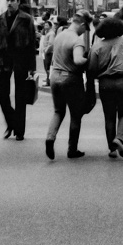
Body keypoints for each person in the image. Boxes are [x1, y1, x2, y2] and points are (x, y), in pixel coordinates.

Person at [88, 16, 123, 158]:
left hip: (105, 83)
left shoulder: (97, 46)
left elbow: (92, 69)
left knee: (109, 116)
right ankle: (120, 138)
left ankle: (111, 149)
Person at [0, 0, 37, 141]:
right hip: (4, 61)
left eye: (12, 0)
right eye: (7, 0)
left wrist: (32, 67)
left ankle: (19, 131)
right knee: (2, 93)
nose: (9, 3)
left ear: (18, 2)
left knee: (20, 96)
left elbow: (31, 44)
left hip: (21, 60)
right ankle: (11, 123)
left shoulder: (26, 19)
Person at [45, 11, 90, 160]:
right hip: (70, 79)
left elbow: (51, 52)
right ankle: (72, 150)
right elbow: (78, 60)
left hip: (55, 77)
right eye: (86, 28)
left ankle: (50, 138)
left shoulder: (59, 35)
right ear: (82, 24)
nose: (85, 31)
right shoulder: (77, 40)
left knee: (58, 111)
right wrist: (88, 60)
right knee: (75, 116)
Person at [40, 21, 56, 86]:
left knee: (48, 67)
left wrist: (46, 51)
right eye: (45, 25)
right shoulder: (48, 33)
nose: (45, 26)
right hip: (46, 52)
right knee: (46, 67)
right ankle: (47, 79)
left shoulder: (51, 33)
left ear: (50, 26)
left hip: (49, 53)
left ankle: (49, 81)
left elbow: (51, 44)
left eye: (46, 25)